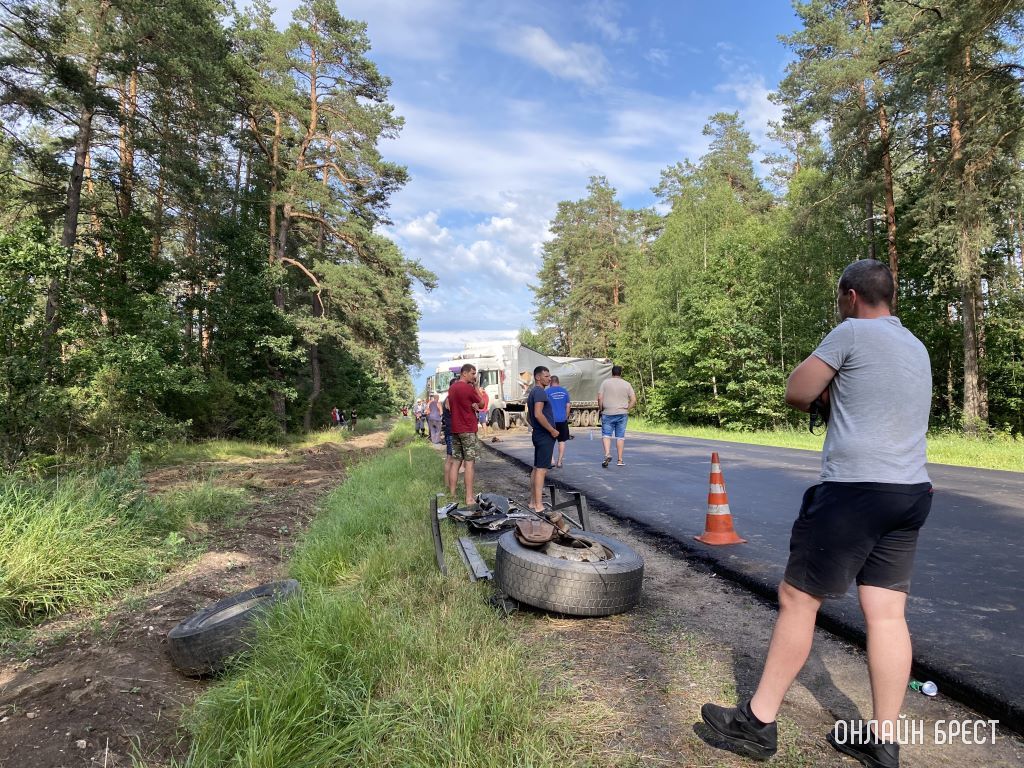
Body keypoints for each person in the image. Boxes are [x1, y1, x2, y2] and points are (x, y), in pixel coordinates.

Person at [700, 260, 932, 768]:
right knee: (888, 612)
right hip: (911, 490)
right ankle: (884, 741)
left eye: (838, 297)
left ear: (851, 296)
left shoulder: (850, 332)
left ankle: (757, 724)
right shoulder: (915, 345)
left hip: (855, 491)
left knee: (798, 598)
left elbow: (797, 391)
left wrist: (825, 396)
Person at [447, 363, 485, 508]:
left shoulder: (452, 388)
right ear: (464, 373)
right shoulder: (468, 388)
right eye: (472, 373)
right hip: (468, 429)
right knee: (469, 464)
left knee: (456, 461)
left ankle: (452, 493)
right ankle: (469, 498)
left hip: (455, 429)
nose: (474, 376)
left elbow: (453, 406)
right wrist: (475, 387)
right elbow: (481, 404)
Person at [527, 366, 559, 513]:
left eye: (549, 375)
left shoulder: (533, 392)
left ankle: (533, 502)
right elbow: (538, 414)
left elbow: (531, 416)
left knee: (536, 468)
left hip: (538, 434)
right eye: (546, 376)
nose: (549, 378)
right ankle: (539, 505)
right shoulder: (539, 392)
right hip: (544, 435)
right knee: (541, 470)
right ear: (538, 377)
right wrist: (551, 430)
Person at [597, 366, 636, 468]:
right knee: (620, 437)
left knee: (606, 435)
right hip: (622, 413)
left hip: (608, 412)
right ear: (620, 373)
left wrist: (601, 408)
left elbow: (600, 397)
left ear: (612, 373)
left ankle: (607, 454)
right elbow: (633, 399)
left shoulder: (605, 383)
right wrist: (627, 408)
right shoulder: (627, 384)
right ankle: (620, 460)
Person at [546, 375, 571, 468]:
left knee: (550, 441)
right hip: (562, 420)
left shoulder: (547, 392)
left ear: (550, 382)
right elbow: (568, 405)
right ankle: (559, 462)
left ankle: (552, 460)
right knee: (562, 441)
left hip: (551, 421)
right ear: (558, 382)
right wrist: (566, 416)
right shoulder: (564, 391)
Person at [441, 396, 457, 495]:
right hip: (451, 432)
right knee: (450, 459)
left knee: (452, 459)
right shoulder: (449, 399)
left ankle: (449, 484)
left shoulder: (450, 399)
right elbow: (454, 412)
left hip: (452, 431)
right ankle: (447, 484)